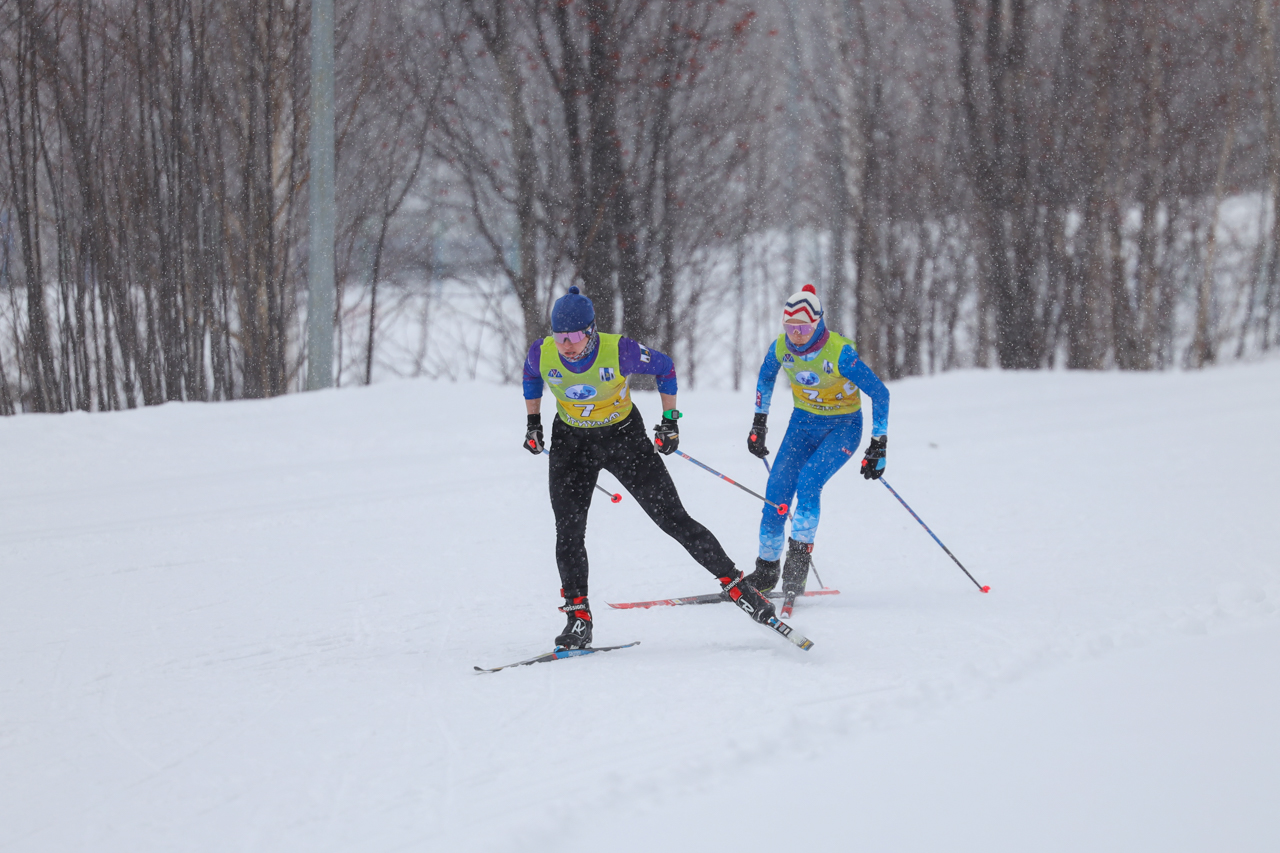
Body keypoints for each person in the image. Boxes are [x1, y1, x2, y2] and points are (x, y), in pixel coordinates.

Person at [523, 286, 775, 649]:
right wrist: (533, 423)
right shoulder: (542, 353)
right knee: (569, 531)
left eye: (575, 336)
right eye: (560, 336)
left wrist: (670, 420)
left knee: (672, 519)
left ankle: (740, 588)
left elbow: (665, 368)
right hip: (572, 446)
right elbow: (531, 376)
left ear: (591, 332)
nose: (567, 345)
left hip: (623, 439)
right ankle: (578, 618)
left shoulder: (619, 350)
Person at [744, 284, 890, 597]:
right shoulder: (781, 347)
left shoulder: (839, 352)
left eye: (805, 327)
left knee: (808, 482)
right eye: (790, 327)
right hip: (802, 426)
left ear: (818, 323)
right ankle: (766, 570)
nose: (796, 334)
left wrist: (879, 443)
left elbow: (880, 392)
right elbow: (766, 377)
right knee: (776, 495)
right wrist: (759, 421)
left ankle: (797, 563)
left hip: (843, 427)